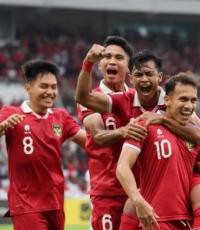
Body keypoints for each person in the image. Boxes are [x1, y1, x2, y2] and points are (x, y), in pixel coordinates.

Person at [76, 50, 200, 229]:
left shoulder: (175, 102)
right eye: (139, 74)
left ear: (159, 77)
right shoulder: (124, 101)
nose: (144, 79)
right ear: (131, 79)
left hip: (168, 185)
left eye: (149, 74)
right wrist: (88, 63)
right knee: (132, 205)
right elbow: (82, 98)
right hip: (131, 185)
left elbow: (199, 136)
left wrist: (161, 118)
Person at [0, 60, 85, 230]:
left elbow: (91, 143)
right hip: (26, 205)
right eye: (44, 86)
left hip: (56, 204)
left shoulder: (61, 116)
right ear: (28, 87)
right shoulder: (11, 113)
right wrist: (2, 127)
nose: (50, 92)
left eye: (54, 87)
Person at [116, 73, 200, 230]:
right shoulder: (145, 124)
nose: (189, 106)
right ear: (167, 100)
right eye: (183, 99)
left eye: (193, 100)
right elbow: (122, 167)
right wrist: (138, 200)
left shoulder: (196, 136)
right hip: (157, 220)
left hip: (188, 221)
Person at [77, 36, 147, 230]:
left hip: (139, 190)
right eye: (106, 57)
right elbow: (98, 137)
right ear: (100, 65)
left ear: (129, 67)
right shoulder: (92, 98)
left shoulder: (139, 97)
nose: (112, 61)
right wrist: (124, 131)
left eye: (119, 57)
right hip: (108, 192)